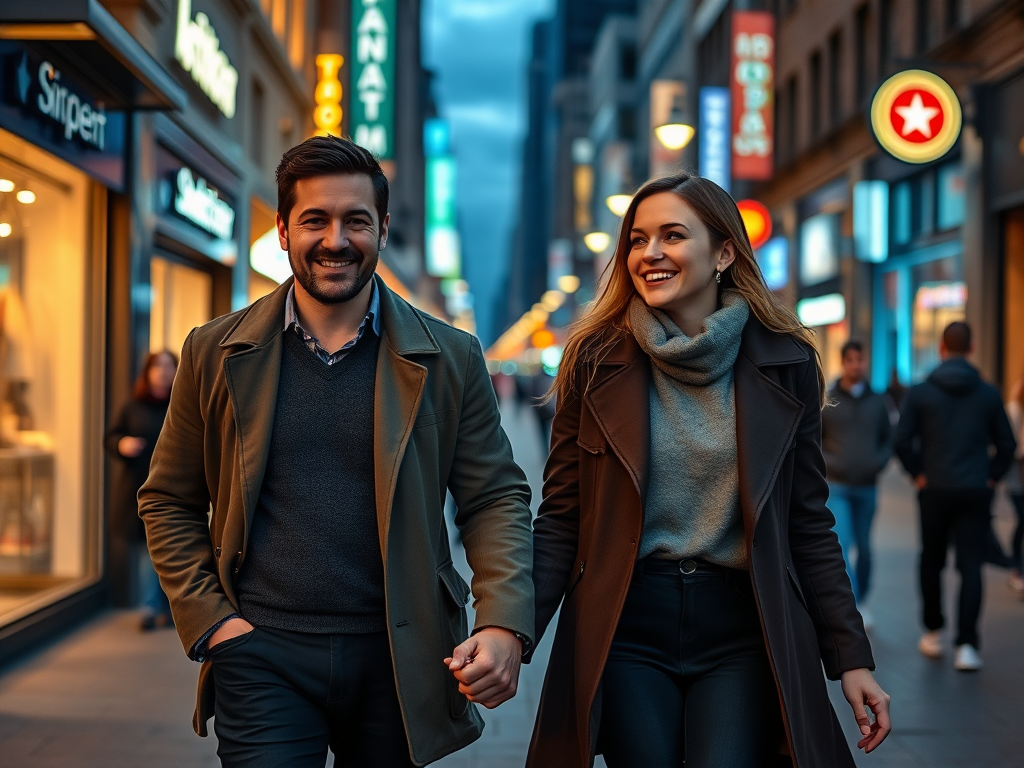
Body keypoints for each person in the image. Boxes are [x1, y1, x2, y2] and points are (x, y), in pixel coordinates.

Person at [138, 136, 534, 767]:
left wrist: (504, 620)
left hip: (400, 656)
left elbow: (494, 498)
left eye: (356, 220)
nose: (335, 239)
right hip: (261, 655)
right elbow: (168, 499)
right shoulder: (214, 351)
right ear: (283, 230)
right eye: (314, 220)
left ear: (381, 226)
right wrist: (210, 621)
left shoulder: (450, 357)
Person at [527, 172, 890, 768]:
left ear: (724, 252)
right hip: (625, 626)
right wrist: (513, 634)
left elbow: (807, 523)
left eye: (673, 235)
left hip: (742, 631)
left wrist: (851, 658)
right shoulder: (594, 361)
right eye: (638, 239)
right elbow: (562, 516)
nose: (651, 254)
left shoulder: (786, 361)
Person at [894, 321, 1017, 671]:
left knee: (931, 561)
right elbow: (1007, 444)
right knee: (971, 566)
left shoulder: (920, 392)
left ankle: (933, 632)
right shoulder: (989, 393)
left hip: (934, 489)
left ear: (942, 349)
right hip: (975, 490)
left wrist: (918, 473)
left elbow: (902, 441)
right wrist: (991, 478)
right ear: (972, 348)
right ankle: (967, 645)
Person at [821, 340, 893, 628]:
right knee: (843, 544)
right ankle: (851, 605)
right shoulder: (829, 399)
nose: (855, 365)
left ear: (865, 362)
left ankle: (862, 599)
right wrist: (830, 463)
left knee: (864, 548)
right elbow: (815, 439)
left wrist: (878, 462)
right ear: (843, 362)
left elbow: (889, 438)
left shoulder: (878, 401)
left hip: (867, 486)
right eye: (850, 360)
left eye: (859, 360)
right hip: (837, 486)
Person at [105, 350, 178, 630]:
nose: (162, 372)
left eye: (168, 366)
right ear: (147, 372)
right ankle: (153, 606)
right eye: (157, 367)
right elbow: (111, 437)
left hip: (173, 490)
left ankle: (160, 606)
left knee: (167, 548)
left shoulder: (182, 402)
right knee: (148, 551)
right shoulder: (132, 406)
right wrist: (122, 444)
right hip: (137, 489)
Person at [1005, 375, 1024, 594]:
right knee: (1022, 519)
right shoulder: (1014, 409)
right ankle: (1016, 567)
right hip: (1016, 477)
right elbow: (1007, 443)